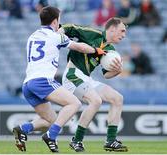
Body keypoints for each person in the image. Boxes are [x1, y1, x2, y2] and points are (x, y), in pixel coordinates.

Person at [12, 6, 105, 153]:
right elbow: (79, 47)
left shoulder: (33, 36)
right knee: (74, 103)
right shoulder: (56, 36)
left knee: (51, 120)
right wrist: (96, 50)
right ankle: (51, 136)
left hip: (28, 83)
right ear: (55, 21)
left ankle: (23, 129)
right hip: (42, 81)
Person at [60, 17, 128, 152]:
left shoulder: (110, 50)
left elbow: (106, 75)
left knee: (117, 98)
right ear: (112, 29)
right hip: (72, 74)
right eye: (122, 31)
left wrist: (117, 71)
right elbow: (71, 28)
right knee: (96, 101)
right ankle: (76, 140)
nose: (124, 35)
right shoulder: (93, 34)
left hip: (86, 78)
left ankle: (111, 141)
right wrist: (58, 32)